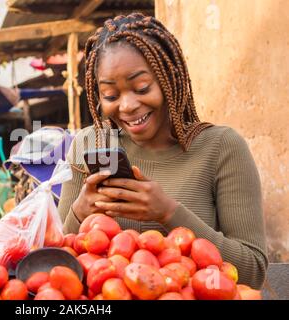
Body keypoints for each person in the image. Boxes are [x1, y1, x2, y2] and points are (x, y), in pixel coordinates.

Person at [58, 13, 268, 289]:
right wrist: (79, 211)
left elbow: (252, 271)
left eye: (142, 87)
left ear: (169, 78)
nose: (127, 105)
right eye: (110, 95)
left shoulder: (221, 148)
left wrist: (169, 213)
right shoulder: (89, 144)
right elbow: (59, 260)